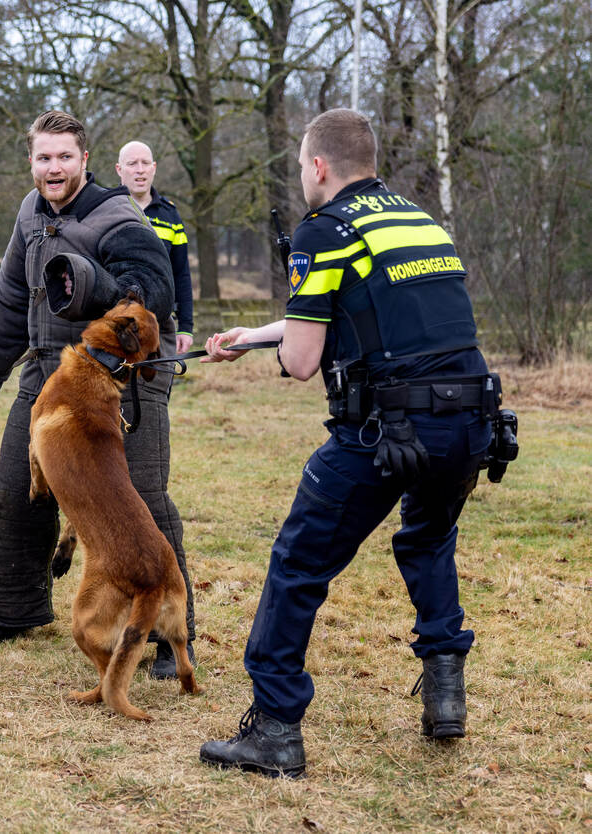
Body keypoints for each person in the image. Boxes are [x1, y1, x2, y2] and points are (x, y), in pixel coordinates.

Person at [198, 109, 501, 778]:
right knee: (427, 538)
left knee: (298, 563)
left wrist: (282, 349)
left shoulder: (324, 229)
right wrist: (250, 338)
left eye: (300, 167)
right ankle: (445, 697)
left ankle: (275, 731)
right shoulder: (415, 221)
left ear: (318, 166)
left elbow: (304, 359)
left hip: (385, 431)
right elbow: (359, 312)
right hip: (471, 421)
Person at [0, 110, 197, 679]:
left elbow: (150, 288)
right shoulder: (30, 211)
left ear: (85, 160)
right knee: (16, 491)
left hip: (123, 381)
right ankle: (11, 611)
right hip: (50, 374)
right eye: (44, 157)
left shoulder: (118, 215)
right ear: (31, 161)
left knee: (143, 501)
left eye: (65, 156)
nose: (53, 167)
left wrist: (102, 287)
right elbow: (11, 296)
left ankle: (169, 639)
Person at [115, 141, 194, 354]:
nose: (140, 170)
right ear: (119, 169)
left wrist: (185, 327)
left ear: (154, 168)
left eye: (145, 163)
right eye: (132, 163)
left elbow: (181, 274)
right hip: (114, 323)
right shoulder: (105, 209)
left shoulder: (170, 215)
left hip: (160, 325)